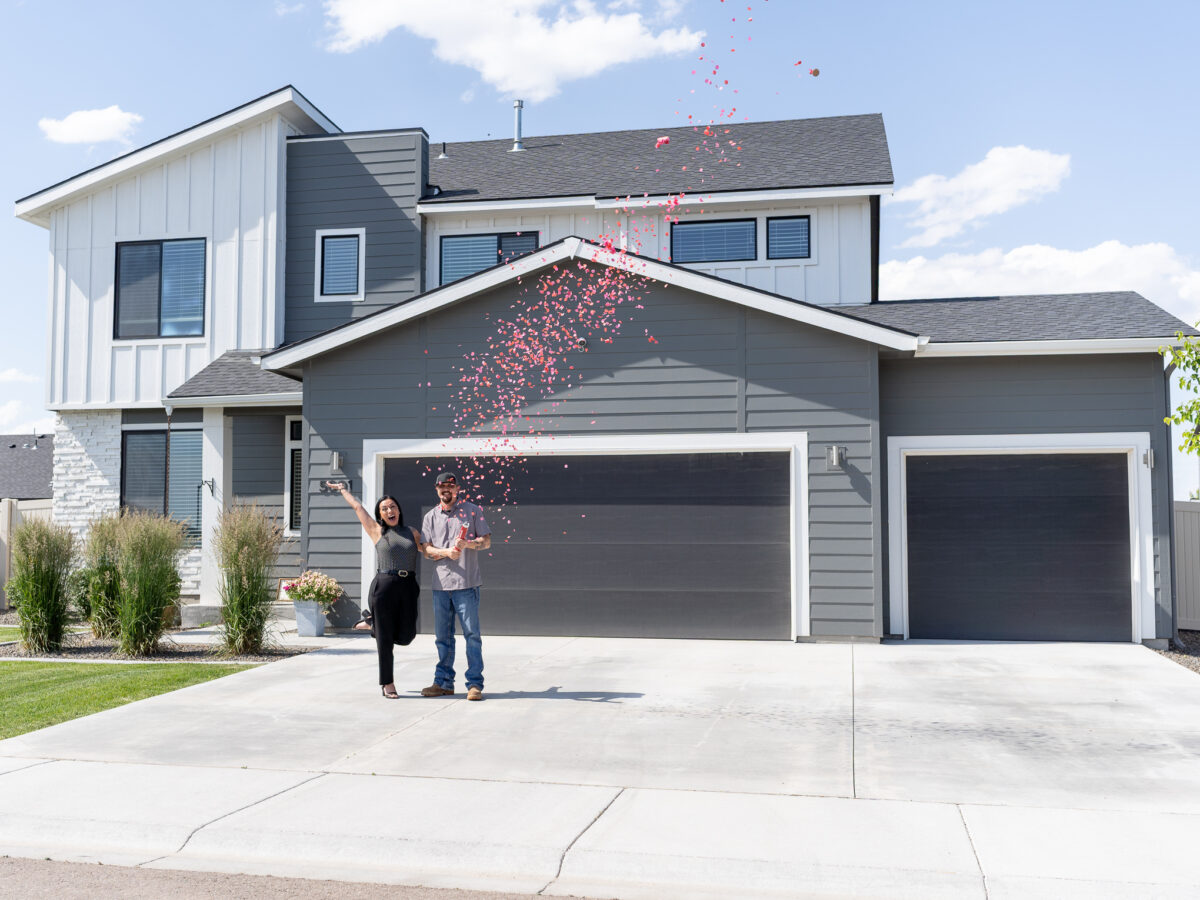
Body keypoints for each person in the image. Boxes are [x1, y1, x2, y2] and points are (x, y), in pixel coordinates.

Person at [326, 481, 422, 700]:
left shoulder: (412, 532)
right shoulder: (377, 530)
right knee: (385, 640)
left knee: (407, 636)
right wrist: (342, 489)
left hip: (408, 586)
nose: (390, 510)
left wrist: (449, 550)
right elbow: (358, 508)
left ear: (399, 509)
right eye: (384, 509)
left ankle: (372, 622)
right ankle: (388, 683)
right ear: (381, 514)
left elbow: (428, 549)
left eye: (393, 507)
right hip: (385, 585)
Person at [420, 471, 491, 701]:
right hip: (440, 586)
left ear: (457, 488)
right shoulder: (431, 516)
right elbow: (426, 548)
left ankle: (474, 684)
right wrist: (445, 552)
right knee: (443, 637)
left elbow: (486, 541)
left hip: (466, 584)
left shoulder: (472, 511)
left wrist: (468, 543)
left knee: (472, 635)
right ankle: (443, 683)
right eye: (442, 487)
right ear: (436, 489)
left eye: (450, 486)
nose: (446, 490)